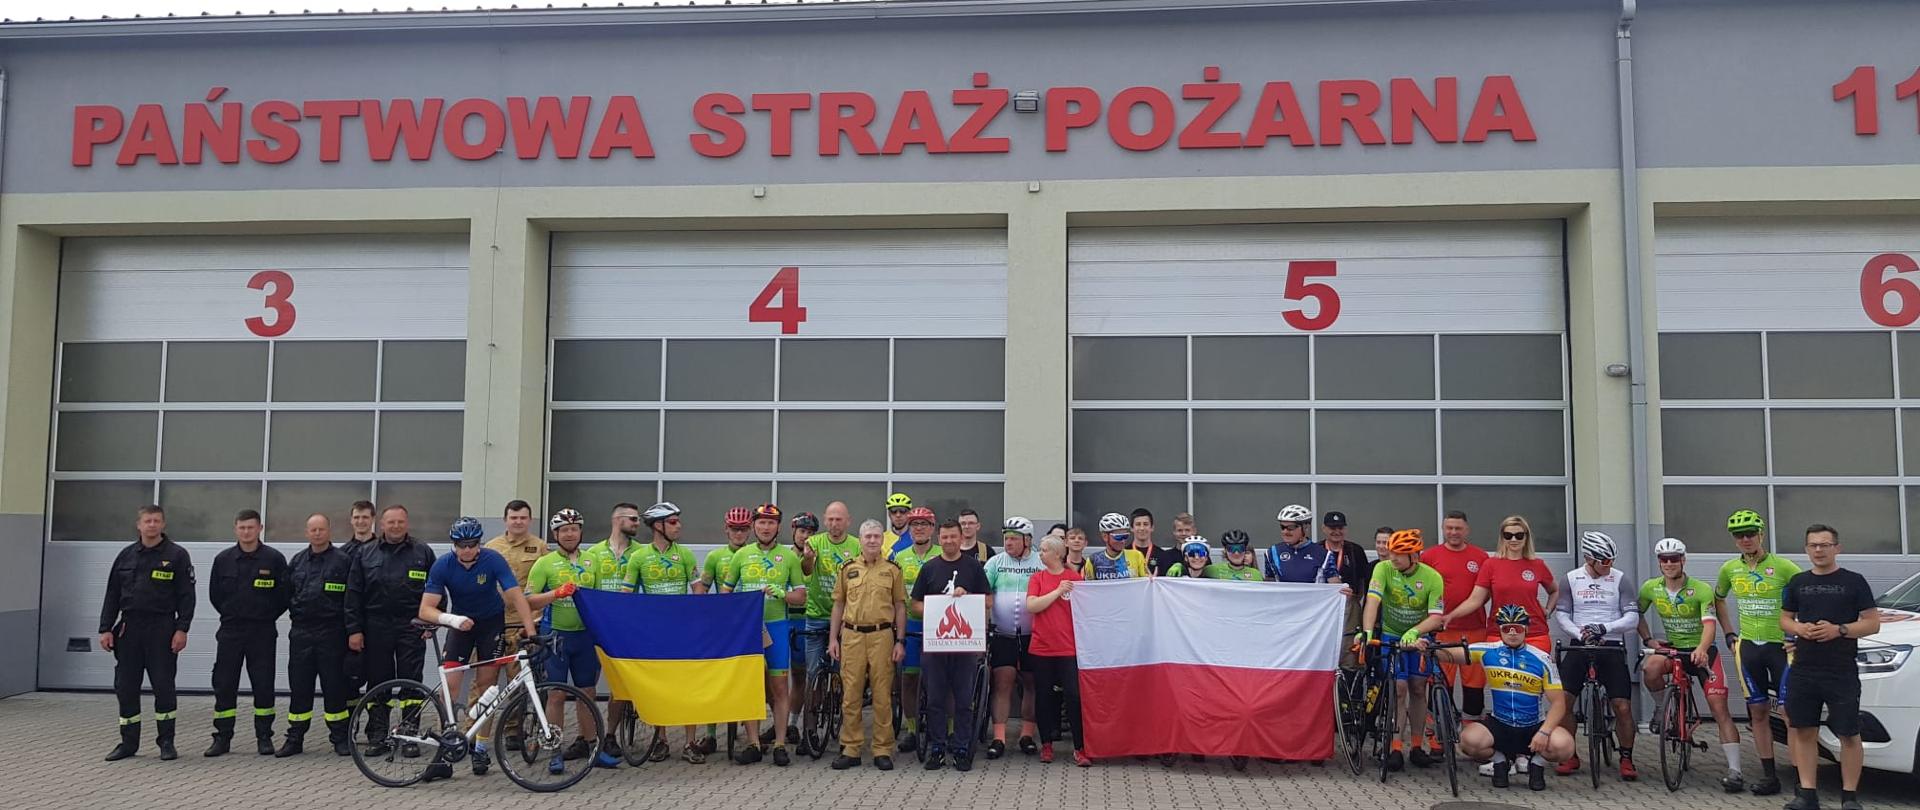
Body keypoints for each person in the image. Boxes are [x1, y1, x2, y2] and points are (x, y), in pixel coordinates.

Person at [418, 516, 539, 779]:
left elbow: (516, 595)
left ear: (479, 543)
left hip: (490, 626)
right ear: (454, 545)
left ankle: (481, 747)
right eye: (461, 545)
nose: (467, 550)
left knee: (488, 688)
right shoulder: (443, 565)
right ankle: (445, 748)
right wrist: (452, 619)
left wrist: (530, 631)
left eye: (472, 544)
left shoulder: (492, 559)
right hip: (460, 625)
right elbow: (425, 609)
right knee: (449, 689)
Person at [1636, 537, 1747, 793]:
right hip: (1673, 648)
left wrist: (1701, 649)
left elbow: (1710, 623)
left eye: (1674, 558)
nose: (1669, 563)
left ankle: (1735, 769)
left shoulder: (1701, 589)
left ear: (1683, 560)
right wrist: (1648, 638)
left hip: (1702, 652)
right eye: (1664, 559)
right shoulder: (1651, 588)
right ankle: (1663, 708)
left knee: (1719, 709)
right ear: (1659, 563)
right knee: (1650, 668)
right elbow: (1636, 613)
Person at [1781, 524, 1879, 810]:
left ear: (1837, 548)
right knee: (1804, 730)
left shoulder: (1854, 581)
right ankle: (1807, 794)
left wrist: (1840, 630)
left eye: (1825, 545)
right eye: (1813, 545)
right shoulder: (1798, 582)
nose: (1819, 550)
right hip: (1804, 669)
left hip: (1841, 670)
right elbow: (1785, 619)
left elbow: (1872, 622)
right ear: (1806, 549)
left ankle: (1849, 797)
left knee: (1848, 732)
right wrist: (1800, 629)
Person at [1435, 604, 1574, 791]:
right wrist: (1424, 646)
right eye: (1506, 628)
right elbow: (1450, 655)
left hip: (1533, 725)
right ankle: (1500, 760)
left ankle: (1537, 764)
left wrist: (1544, 732)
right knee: (1468, 740)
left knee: (1565, 746)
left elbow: (1558, 703)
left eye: (1517, 628)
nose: (1512, 633)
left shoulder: (1542, 659)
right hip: (1500, 723)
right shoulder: (1487, 651)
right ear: (1499, 630)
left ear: (1526, 629)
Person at [524, 508, 621, 771]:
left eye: (574, 529)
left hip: (585, 636)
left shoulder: (593, 560)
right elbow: (529, 599)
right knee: (556, 695)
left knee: (587, 693)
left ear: (580, 532)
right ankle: (554, 751)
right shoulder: (544, 563)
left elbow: (600, 599)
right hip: (556, 635)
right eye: (564, 530)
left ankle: (592, 748)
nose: (569, 534)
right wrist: (555, 593)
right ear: (556, 534)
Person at [100, 504, 195, 762]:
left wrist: (182, 629)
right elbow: (112, 595)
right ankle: (128, 743)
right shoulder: (126, 556)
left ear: (163, 524)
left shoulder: (177, 556)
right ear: (138, 525)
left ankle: (166, 742)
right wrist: (105, 628)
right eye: (147, 521)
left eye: (156, 521)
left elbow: (187, 597)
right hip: (129, 629)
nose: (151, 525)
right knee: (126, 687)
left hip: (162, 629)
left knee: (163, 686)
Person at [1715, 508, 1800, 796]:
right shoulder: (1729, 569)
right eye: (1739, 535)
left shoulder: (1785, 567)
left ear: (1761, 534)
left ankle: (1804, 779)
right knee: (1758, 711)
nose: (1746, 539)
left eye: (1751, 533)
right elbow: (1718, 598)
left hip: (1781, 647)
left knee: (1790, 712)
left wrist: (1798, 633)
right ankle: (1769, 777)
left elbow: (1807, 596)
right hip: (1748, 647)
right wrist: (1729, 633)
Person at [345, 504, 437, 754]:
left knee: (411, 684)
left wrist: (433, 623)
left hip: (412, 627)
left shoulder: (422, 552)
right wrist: (354, 629)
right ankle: (378, 737)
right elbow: (353, 595)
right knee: (379, 682)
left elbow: (436, 590)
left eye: (400, 522)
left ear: (407, 523)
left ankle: (409, 737)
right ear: (382, 525)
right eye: (391, 522)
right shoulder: (365, 553)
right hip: (376, 627)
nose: (395, 526)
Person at [1549, 531, 1638, 780]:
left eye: (1612, 560)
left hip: (1610, 643)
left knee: (1621, 706)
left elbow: (1633, 617)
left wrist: (1605, 628)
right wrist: (1580, 632)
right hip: (1580, 643)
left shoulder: (1621, 579)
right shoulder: (1570, 579)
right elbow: (1562, 613)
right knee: (1563, 702)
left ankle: (1626, 757)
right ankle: (1570, 755)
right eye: (1604, 561)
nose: (1610, 566)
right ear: (1589, 558)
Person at [724, 503, 807, 766]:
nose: (765, 527)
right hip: (748, 629)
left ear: (778, 527)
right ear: (753, 526)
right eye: (761, 523)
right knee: (751, 686)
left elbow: (801, 596)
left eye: (771, 523)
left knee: (780, 687)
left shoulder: (790, 557)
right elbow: (725, 592)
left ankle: (780, 744)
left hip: (778, 627)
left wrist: (783, 594)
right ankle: (753, 743)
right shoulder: (741, 556)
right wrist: (738, 603)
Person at [203, 509, 290, 758]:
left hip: (262, 631)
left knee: (263, 684)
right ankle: (222, 738)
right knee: (224, 684)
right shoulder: (223, 560)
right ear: (235, 529)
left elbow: (284, 596)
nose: (246, 532)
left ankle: (264, 737)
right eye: (242, 527)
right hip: (231, 630)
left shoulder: (274, 559)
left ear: (260, 528)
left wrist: (264, 614)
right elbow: (214, 595)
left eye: (251, 527)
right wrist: (233, 613)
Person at [1357, 529, 1447, 771]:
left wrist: (1416, 631)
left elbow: (1437, 617)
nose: (1393, 557)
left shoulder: (1432, 577)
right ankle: (1396, 746)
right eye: (1392, 552)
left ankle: (1416, 746)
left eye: (1400, 554)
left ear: (1414, 556)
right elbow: (1373, 601)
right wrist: (1367, 632)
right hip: (1391, 633)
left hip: (1419, 635)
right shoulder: (1383, 569)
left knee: (1418, 689)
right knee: (1398, 688)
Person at [624, 501, 705, 761]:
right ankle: (661, 740)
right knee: (660, 688)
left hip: (682, 630)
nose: (678, 526)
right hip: (654, 631)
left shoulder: (686, 554)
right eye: (672, 522)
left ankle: (690, 743)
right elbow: (627, 596)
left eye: (678, 521)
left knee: (688, 687)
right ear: (657, 527)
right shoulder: (638, 557)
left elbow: (699, 592)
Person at [910, 520, 993, 772]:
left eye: (953, 537)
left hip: (964, 645)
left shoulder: (974, 568)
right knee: (935, 698)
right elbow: (915, 604)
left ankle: (961, 748)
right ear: (939, 538)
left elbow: (988, 601)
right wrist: (938, 607)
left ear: (960, 538)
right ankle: (937, 747)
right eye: (944, 537)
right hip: (935, 644)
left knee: (964, 699)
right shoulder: (929, 568)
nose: (948, 541)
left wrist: (967, 600)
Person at [827, 519, 908, 771]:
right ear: (860, 540)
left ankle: (882, 749)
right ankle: (851, 748)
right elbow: (838, 605)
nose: (872, 540)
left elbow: (900, 606)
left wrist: (900, 640)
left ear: (882, 540)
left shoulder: (892, 570)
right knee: (850, 694)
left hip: (882, 636)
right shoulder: (847, 568)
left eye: (876, 536)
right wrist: (833, 639)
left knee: (883, 695)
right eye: (867, 536)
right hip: (851, 636)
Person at [280, 513, 354, 758]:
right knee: (299, 686)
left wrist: (352, 630)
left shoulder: (343, 561)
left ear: (329, 531)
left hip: (332, 633)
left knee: (334, 687)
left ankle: (340, 738)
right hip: (301, 632)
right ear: (307, 532)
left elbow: (352, 599)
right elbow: (285, 593)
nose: (317, 533)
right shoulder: (297, 561)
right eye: (313, 529)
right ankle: (295, 738)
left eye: (321, 529)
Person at [583, 502, 645, 759]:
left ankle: (610, 734)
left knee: (619, 685)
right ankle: (585, 735)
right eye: (633, 519)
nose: (637, 523)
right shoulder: (594, 553)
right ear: (617, 520)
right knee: (589, 682)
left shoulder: (642, 552)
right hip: (598, 624)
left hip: (628, 626)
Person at [483, 499, 545, 752]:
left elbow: (545, 583)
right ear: (505, 520)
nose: (518, 522)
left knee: (518, 681)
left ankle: (513, 731)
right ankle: (474, 731)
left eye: (523, 518)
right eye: (513, 517)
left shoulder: (540, 547)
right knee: (484, 681)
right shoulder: (491, 547)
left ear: (529, 520)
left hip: (524, 625)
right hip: (495, 623)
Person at [1027, 534, 1090, 767]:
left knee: (1073, 696)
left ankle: (1080, 747)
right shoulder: (1037, 578)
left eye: (1044, 550)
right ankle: (1046, 745)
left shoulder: (1074, 579)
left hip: (1069, 649)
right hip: (1042, 648)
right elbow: (1032, 605)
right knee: (1044, 697)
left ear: (1056, 553)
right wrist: (1056, 592)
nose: (1040, 553)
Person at [1423, 511, 1489, 726]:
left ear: (1466, 530)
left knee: (1474, 687)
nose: (1453, 532)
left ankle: (1472, 736)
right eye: (1449, 528)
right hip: (1442, 632)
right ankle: (1438, 740)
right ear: (1443, 529)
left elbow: (1487, 591)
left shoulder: (1481, 557)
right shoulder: (1429, 556)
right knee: (1440, 685)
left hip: (1475, 630)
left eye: (1458, 528)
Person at [801, 502, 858, 750]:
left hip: (847, 618)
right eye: (831, 519)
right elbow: (805, 571)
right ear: (825, 521)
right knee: (812, 676)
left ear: (848, 521)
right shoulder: (814, 543)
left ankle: (846, 732)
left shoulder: (856, 545)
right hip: (816, 615)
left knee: (844, 677)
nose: (835, 524)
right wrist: (807, 559)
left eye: (839, 519)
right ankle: (809, 732)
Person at [984, 517, 1043, 758]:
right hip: (1003, 633)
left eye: (1014, 539)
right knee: (1003, 683)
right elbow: (982, 593)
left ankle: (1027, 735)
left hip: (1034, 634)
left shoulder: (1041, 562)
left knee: (1032, 684)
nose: (1008, 543)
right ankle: (999, 738)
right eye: (1006, 538)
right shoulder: (995, 563)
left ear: (1027, 540)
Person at [888, 506, 940, 752]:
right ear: (909, 528)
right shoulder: (899, 556)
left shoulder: (942, 553)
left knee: (941, 680)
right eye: (915, 524)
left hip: (939, 625)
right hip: (908, 622)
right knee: (908, 679)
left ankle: (945, 729)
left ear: (932, 528)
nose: (919, 528)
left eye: (924, 524)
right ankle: (911, 728)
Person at [1321, 511, 1371, 671]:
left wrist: (1355, 601)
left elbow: (1363, 581)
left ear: (1346, 529)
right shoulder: (1317, 550)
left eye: (1340, 527)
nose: (1336, 531)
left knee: (1349, 652)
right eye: (1332, 527)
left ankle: (1350, 693)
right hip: (1323, 609)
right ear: (1323, 528)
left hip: (1350, 608)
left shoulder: (1355, 550)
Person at [341, 500, 379, 703]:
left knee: (377, 676)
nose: (361, 521)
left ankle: (375, 730)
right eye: (357, 517)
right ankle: (349, 727)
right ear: (351, 520)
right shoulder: (342, 554)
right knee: (349, 678)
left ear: (373, 519)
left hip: (377, 624)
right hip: (350, 627)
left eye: (365, 517)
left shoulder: (383, 550)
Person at [1265, 504, 1337, 583]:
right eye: (1282, 527)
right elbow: (1269, 585)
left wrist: (1344, 592)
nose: (1285, 532)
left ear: (1305, 528)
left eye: (1291, 528)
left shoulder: (1323, 554)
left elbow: (1335, 584)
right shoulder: (1272, 552)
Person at [1085, 513, 1147, 580]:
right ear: (1105, 537)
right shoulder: (1093, 560)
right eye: (1118, 537)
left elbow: (1145, 583)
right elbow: (1088, 588)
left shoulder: (1137, 556)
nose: (1123, 541)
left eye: (1125, 536)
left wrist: (1152, 581)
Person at [1130, 508, 1181, 576]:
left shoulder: (1163, 555)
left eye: (1145, 524)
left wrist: (1156, 580)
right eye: (1138, 524)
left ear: (1152, 527)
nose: (1142, 528)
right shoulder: (1124, 554)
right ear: (1131, 528)